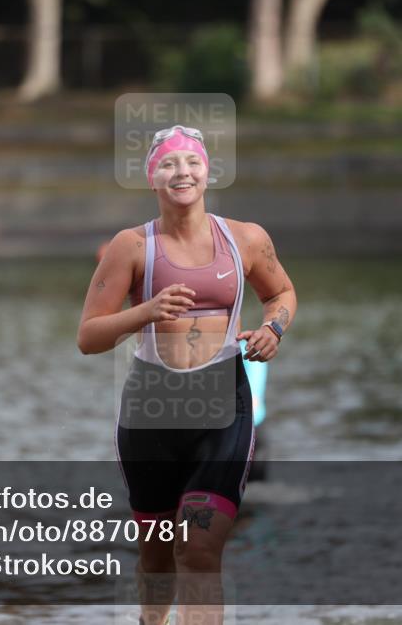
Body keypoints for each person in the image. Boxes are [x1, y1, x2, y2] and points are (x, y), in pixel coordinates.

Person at [77, 125, 297, 625]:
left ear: (207, 172)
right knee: (157, 556)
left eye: (192, 163)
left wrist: (274, 329)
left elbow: (281, 294)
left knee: (198, 550)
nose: (182, 172)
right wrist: (146, 311)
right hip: (150, 411)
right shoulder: (130, 247)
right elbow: (88, 337)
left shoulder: (245, 238)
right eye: (170, 164)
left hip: (222, 409)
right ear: (152, 178)